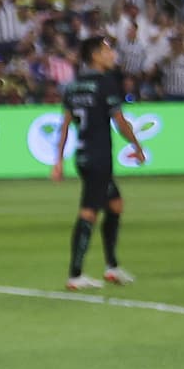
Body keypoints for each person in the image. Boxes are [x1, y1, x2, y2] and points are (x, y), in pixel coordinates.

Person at [51, 36, 146, 291]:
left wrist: (58, 160)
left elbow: (64, 125)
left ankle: (112, 267)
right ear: (95, 55)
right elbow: (119, 120)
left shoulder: (73, 86)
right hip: (100, 156)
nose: (112, 54)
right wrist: (137, 146)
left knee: (115, 204)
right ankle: (75, 274)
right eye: (107, 50)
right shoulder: (106, 82)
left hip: (83, 155)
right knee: (89, 211)